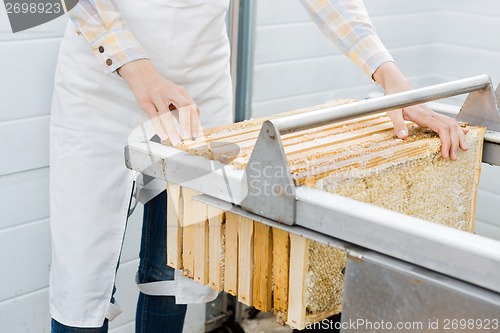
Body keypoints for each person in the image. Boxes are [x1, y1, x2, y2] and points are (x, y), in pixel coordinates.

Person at [49, 0, 468, 331]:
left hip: (198, 88)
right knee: (81, 273)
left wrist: (390, 77)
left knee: (174, 265)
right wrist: (139, 71)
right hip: (101, 84)